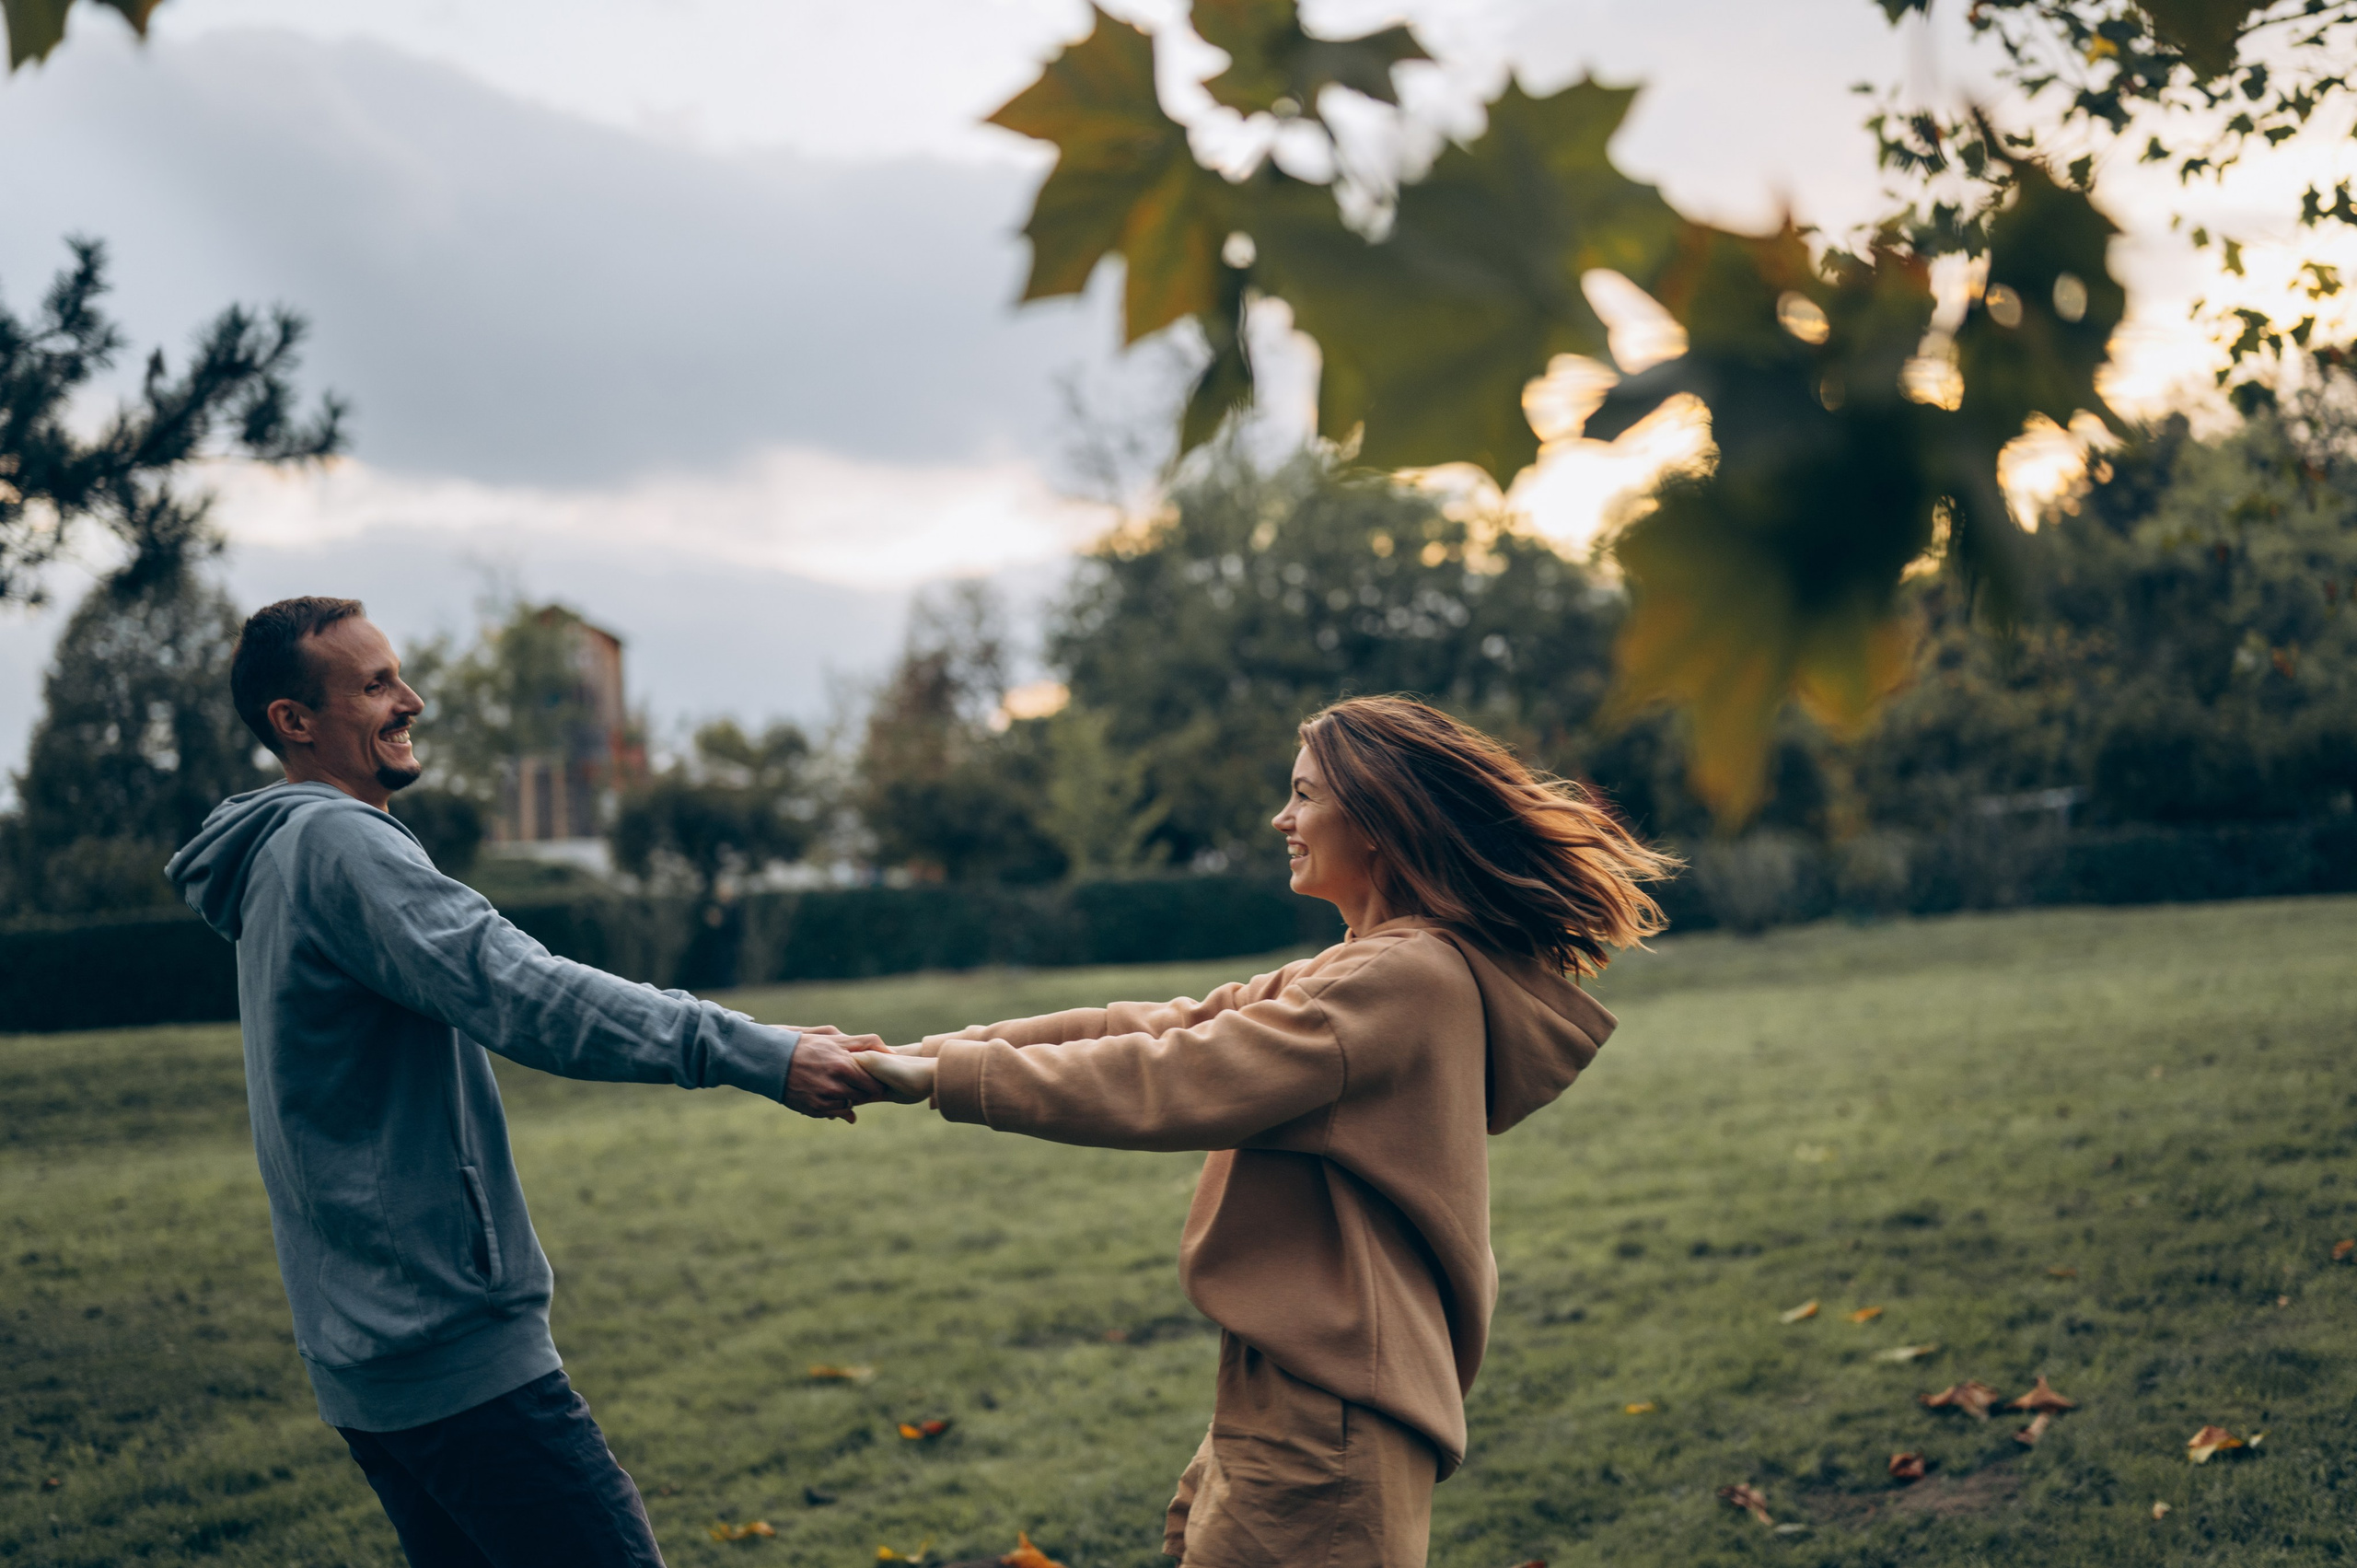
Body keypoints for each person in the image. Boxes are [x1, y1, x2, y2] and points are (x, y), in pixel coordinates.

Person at [856, 696, 1678, 1567]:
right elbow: (1167, 1023)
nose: (1282, 818)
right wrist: (926, 1054)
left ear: (1378, 822)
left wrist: (948, 1078)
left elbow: (1178, 1073)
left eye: (1304, 795)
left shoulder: (1403, 976)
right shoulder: (1372, 962)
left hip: (1330, 1419)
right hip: (1302, 1386)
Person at [164, 597, 883, 1568]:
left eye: (398, 675)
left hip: (368, 1356)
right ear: (294, 721)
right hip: (449, 1352)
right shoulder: (337, 844)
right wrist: (759, 1052)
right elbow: (523, 990)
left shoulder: (280, 854)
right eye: (375, 685)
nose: (411, 700)